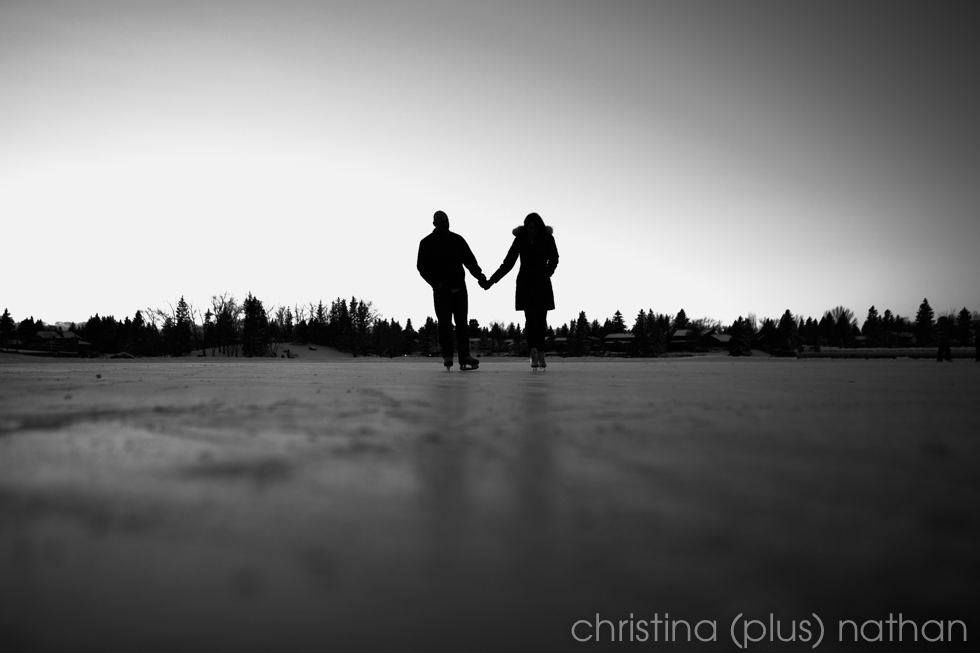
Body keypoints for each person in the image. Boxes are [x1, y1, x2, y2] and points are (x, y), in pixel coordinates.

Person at [481, 212, 559, 370]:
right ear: (526, 227)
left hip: (542, 283)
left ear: (540, 227)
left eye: (535, 227)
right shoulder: (520, 240)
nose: (532, 230)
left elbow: (554, 258)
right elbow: (508, 263)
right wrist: (492, 280)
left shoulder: (547, 239)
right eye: (530, 227)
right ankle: (533, 351)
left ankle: (541, 351)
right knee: (530, 319)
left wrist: (547, 272)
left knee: (541, 319)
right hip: (525, 283)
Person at [417, 210, 487, 370]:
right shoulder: (427, 243)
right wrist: (436, 283)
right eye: (441, 221)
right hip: (442, 291)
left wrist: (481, 278)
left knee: (462, 324)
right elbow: (422, 267)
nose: (445, 223)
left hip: (459, 289)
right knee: (445, 324)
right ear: (434, 223)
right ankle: (447, 355)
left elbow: (470, 261)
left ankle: (464, 356)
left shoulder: (457, 240)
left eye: (446, 220)